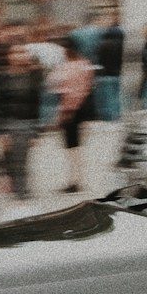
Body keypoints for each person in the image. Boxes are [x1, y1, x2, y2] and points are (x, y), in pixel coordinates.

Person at [0, 43, 44, 201]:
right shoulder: (0, 76)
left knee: (21, 160)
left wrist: (36, 132)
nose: (19, 56)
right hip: (7, 123)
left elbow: (36, 105)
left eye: (22, 52)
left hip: (26, 124)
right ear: (8, 56)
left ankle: (21, 192)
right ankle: (15, 188)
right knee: (8, 160)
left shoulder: (34, 76)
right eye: (15, 52)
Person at [50, 40, 97, 193]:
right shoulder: (86, 64)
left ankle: (74, 181)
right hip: (85, 108)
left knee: (71, 149)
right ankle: (78, 179)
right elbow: (89, 86)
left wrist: (63, 113)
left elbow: (65, 92)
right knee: (78, 148)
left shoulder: (65, 68)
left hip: (71, 111)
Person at [93, 11, 126, 121]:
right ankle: (117, 117)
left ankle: (109, 118)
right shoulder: (122, 45)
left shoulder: (102, 44)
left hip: (106, 75)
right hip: (118, 74)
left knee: (108, 98)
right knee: (117, 97)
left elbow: (99, 60)